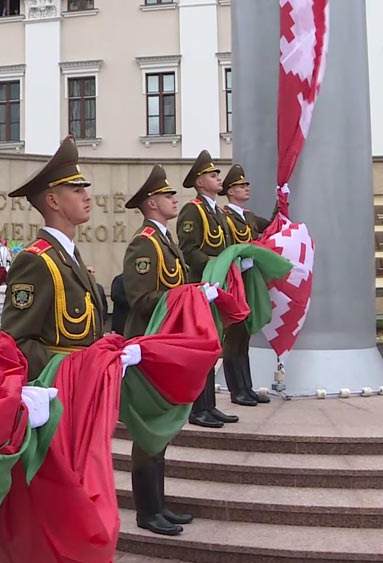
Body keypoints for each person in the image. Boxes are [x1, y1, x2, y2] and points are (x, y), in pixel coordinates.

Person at [122, 163, 223, 536]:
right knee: (149, 433)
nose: (173, 198)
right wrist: (188, 295)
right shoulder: (144, 243)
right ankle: (147, 511)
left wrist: (190, 296)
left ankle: (159, 505)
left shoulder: (165, 240)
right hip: (149, 345)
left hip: (167, 343)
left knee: (161, 432)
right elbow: (141, 298)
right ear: (151, 203)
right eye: (166, 195)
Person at [0, 135, 102, 377]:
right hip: (59, 392)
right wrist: (70, 370)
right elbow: (17, 341)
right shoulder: (36, 260)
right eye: (77, 191)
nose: (87, 197)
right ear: (53, 200)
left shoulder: (68, 255)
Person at [176, 150, 243, 425]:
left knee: (214, 346)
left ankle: (209, 405)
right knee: (202, 348)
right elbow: (189, 249)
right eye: (213, 175)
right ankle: (197, 408)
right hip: (203, 285)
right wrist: (216, 268)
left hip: (218, 286)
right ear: (200, 182)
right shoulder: (193, 210)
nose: (218, 178)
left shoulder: (216, 211)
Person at [219, 164, 273, 406]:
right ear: (230, 191)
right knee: (234, 337)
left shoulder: (248, 216)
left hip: (248, 279)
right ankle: (236, 390)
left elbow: (272, 225)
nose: (246, 189)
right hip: (234, 280)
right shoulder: (224, 217)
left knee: (245, 337)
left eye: (246, 185)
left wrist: (281, 200)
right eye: (241, 186)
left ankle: (246, 387)